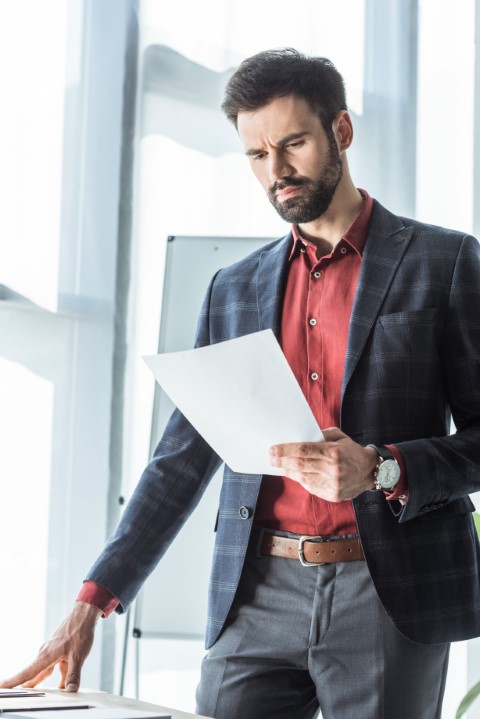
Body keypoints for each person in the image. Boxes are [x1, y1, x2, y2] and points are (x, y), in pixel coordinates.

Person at [2, 48, 480, 719]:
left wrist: (381, 468)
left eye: (293, 143)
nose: (277, 171)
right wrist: (93, 598)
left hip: (386, 591)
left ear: (340, 131)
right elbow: (180, 458)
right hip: (255, 592)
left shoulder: (444, 260)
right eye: (257, 154)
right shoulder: (233, 288)